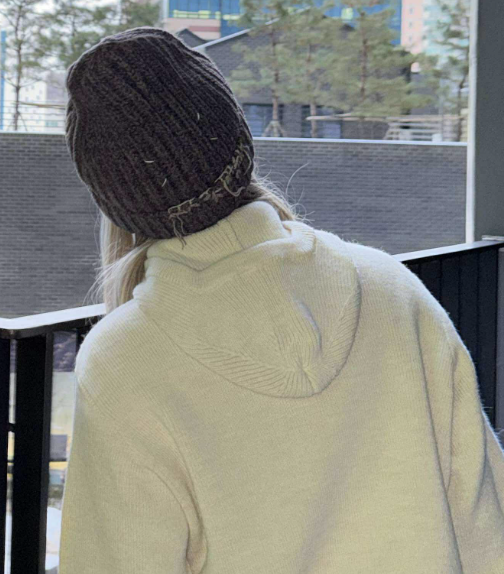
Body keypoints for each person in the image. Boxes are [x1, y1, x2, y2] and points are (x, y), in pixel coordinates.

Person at [58, 26, 504, 573]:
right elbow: (488, 533)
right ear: (238, 142)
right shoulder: (391, 288)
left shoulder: (123, 362)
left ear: (115, 201)